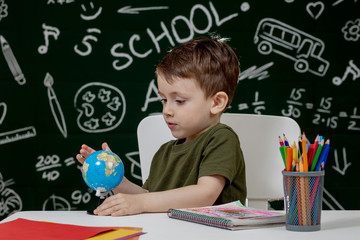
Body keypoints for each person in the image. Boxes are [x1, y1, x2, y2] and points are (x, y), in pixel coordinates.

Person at [76, 36, 246, 216]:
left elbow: (205, 194)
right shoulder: (164, 152)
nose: (167, 110)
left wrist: (142, 202)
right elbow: (150, 198)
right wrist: (115, 178)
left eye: (179, 101)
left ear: (217, 102)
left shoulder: (221, 138)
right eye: (164, 100)